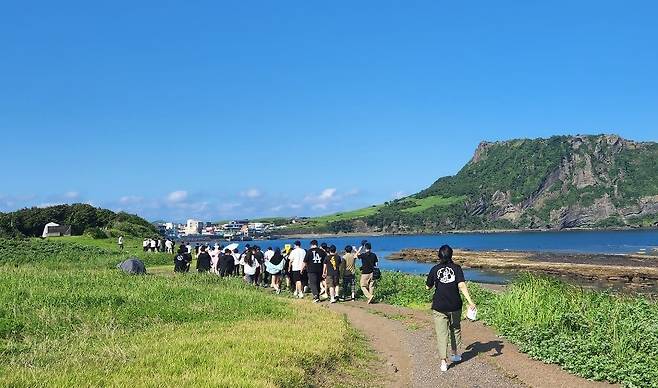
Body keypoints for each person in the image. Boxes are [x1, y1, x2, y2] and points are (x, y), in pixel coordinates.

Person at [426, 245, 476, 372]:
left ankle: (443, 362)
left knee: (442, 333)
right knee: (455, 329)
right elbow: (462, 286)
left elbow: (428, 287)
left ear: (439, 256)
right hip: (455, 305)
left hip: (439, 306)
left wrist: (433, 284)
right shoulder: (457, 268)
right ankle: (454, 354)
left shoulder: (434, 269)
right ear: (451, 255)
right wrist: (470, 302)